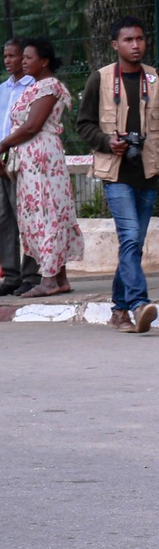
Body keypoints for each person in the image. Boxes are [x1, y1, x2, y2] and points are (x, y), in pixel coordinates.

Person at [75, 17, 159, 332]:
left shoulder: (155, 79)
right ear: (115, 44)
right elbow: (84, 124)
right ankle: (138, 304)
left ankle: (119, 311)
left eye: (140, 39)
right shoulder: (100, 79)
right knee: (130, 238)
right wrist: (107, 142)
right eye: (128, 40)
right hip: (116, 173)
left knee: (132, 244)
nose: (135, 45)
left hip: (148, 172)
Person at [0, 38, 81, 299]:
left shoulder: (49, 86)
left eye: (28, 58)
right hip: (32, 160)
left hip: (42, 158)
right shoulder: (36, 86)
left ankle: (48, 280)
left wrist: (4, 143)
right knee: (44, 213)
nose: (23, 62)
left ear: (44, 61)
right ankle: (60, 278)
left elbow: (33, 125)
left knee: (48, 213)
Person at [0, 39, 41, 297]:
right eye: (5, 56)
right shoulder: (3, 88)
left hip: (24, 162)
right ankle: (10, 276)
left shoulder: (34, 86)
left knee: (27, 220)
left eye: (13, 56)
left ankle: (32, 275)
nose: (8, 61)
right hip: (1, 163)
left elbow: (30, 126)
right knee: (3, 220)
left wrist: (9, 152)